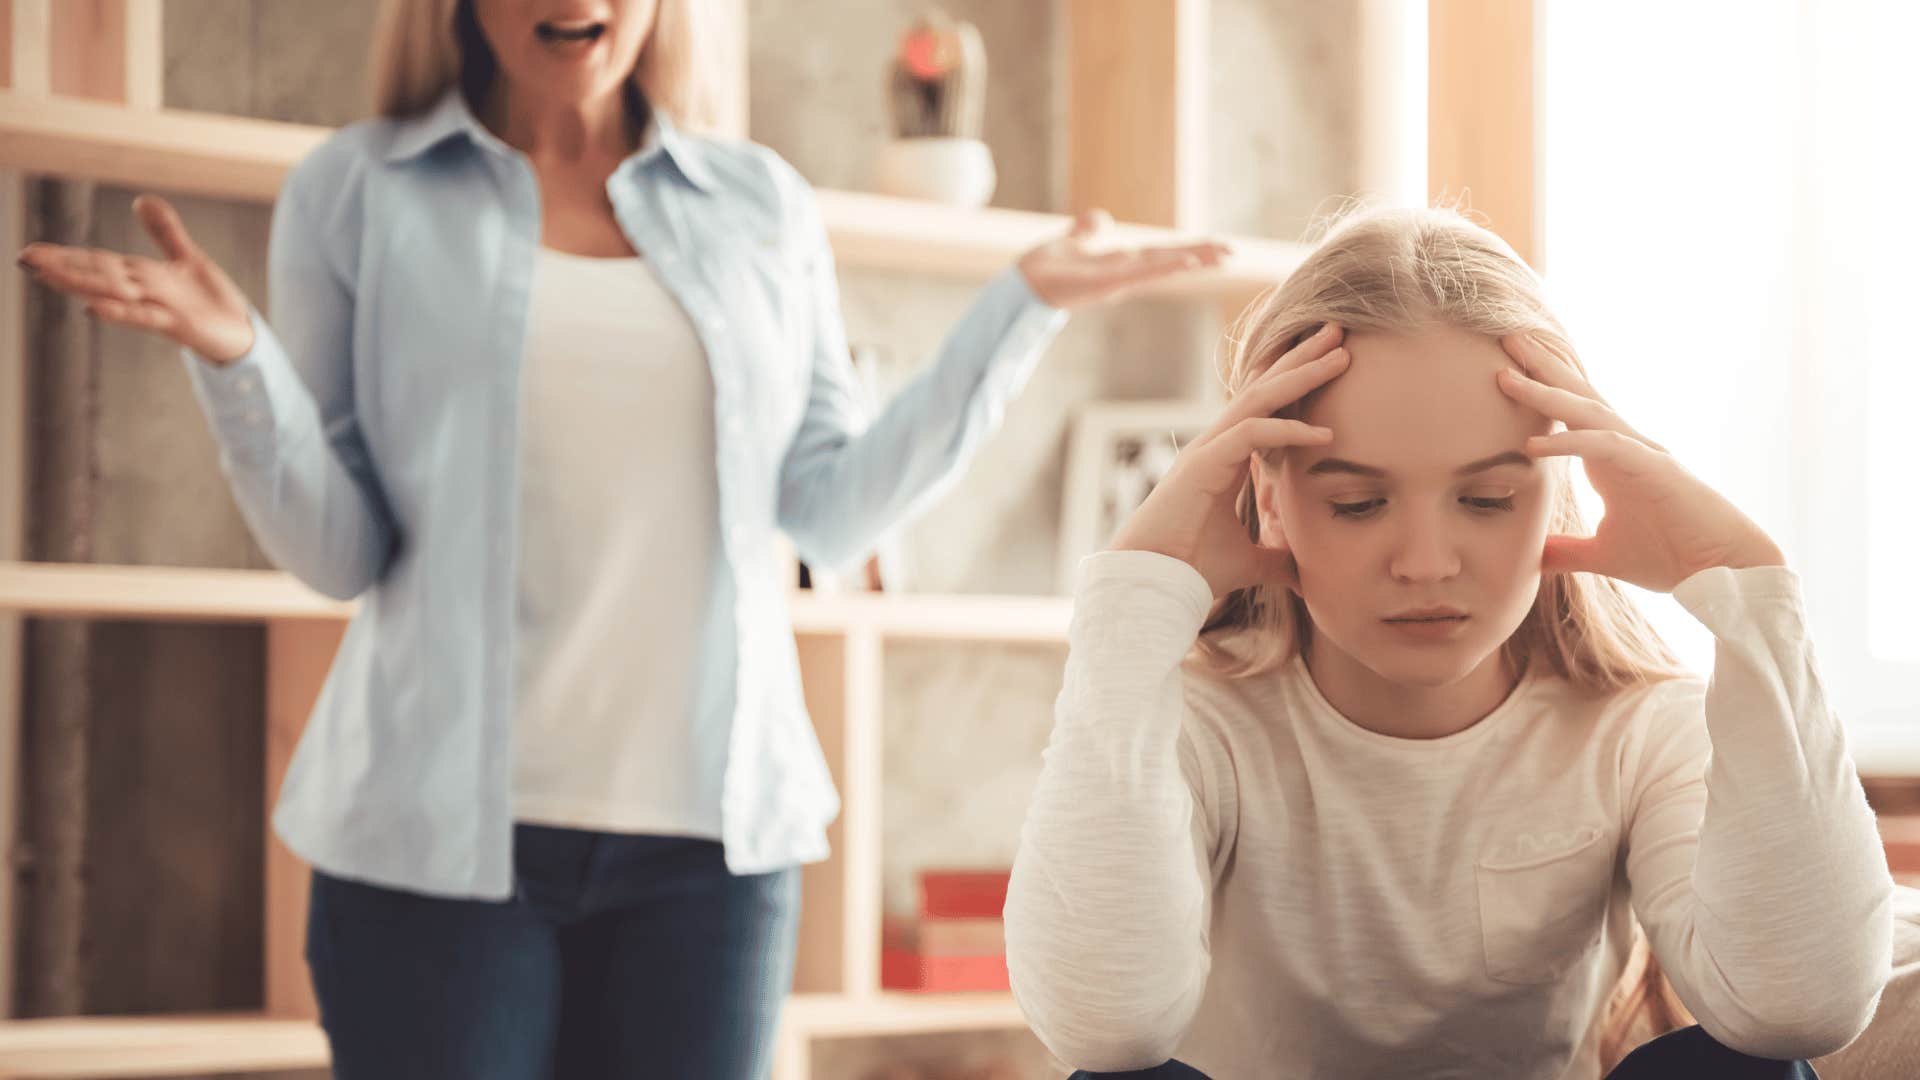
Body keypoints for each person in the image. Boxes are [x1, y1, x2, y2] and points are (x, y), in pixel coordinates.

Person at [12, 1, 1231, 1076]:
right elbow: (338, 550)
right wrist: (239, 363)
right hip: (432, 860)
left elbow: (830, 509)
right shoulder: (359, 189)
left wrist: (1019, 309)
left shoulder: (759, 203)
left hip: (708, 866)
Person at [1003, 206, 1895, 1080]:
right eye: (1357, 503)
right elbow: (1103, 1028)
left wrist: (1747, 591)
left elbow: (1801, 1008)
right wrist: (1132, 607)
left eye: (1488, 500)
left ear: (1559, 490)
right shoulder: (1202, 726)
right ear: (1270, 499)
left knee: (1747, 1073)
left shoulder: (1637, 731)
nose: (1426, 565)